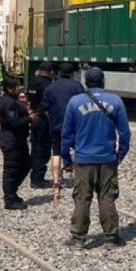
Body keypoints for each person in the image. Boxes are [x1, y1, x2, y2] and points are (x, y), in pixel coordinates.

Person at [61, 67, 132, 249]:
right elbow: (124, 134)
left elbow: (66, 135)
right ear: (103, 81)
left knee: (82, 198)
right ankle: (111, 237)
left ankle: (78, 238)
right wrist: (119, 156)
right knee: (107, 197)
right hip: (107, 158)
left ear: (86, 82)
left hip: (83, 159)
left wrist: (67, 159)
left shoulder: (74, 102)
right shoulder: (115, 101)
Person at [42, 63, 85, 201]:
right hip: (74, 125)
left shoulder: (50, 87)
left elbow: (45, 105)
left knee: (56, 151)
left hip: (56, 124)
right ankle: (78, 178)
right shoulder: (77, 87)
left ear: (58, 72)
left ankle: (56, 181)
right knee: (77, 149)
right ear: (73, 73)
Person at [0, 80, 39, 210]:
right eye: (17, 86)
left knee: (26, 164)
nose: (20, 88)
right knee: (12, 169)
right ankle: (9, 197)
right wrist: (29, 118)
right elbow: (12, 123)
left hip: (18, 140)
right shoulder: (8, 103)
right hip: (11, 141)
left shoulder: (11, 100)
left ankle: (12, 192)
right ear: (10, 89)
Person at [27, 62, 55, 188]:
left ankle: (35, 177)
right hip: (43, 119)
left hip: (34, 118)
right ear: (50, 72)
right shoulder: (48, 86)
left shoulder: (32, 82)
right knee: (43, 149)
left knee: (35, 147)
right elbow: (48, 104)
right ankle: (38, 179)